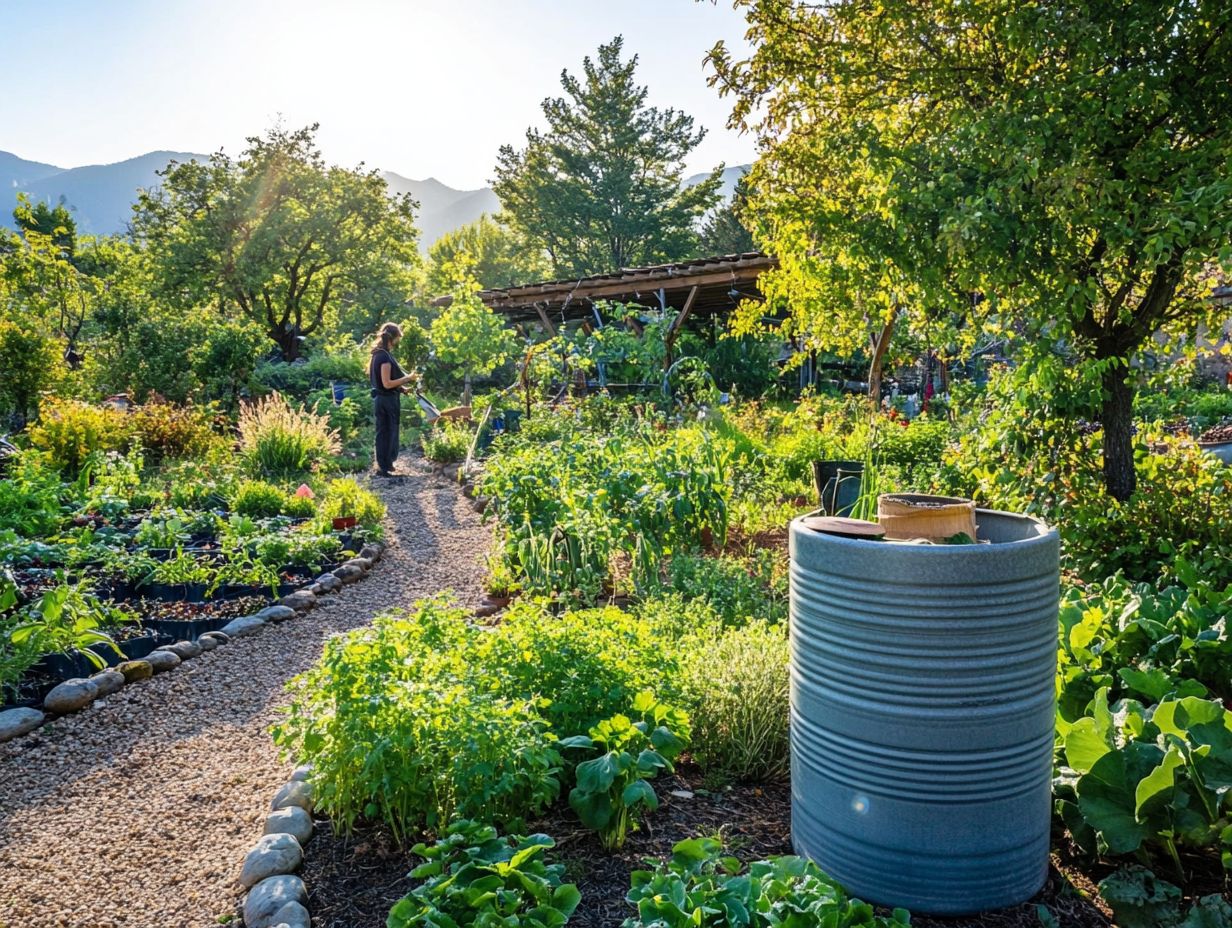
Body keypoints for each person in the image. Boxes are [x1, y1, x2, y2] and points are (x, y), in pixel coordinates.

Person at [369, 322, 415, 477]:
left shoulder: (377, 354)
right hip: (387, 401)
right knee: (388, 432)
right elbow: (387, 383)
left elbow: (386, 382)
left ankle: (385, 465)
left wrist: (402, 389)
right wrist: (407, 378)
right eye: (398, 339)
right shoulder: (384, 357)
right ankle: (385, 465)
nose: (398, 342)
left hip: (381, 399)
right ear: (393, 338)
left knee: (383, 431)